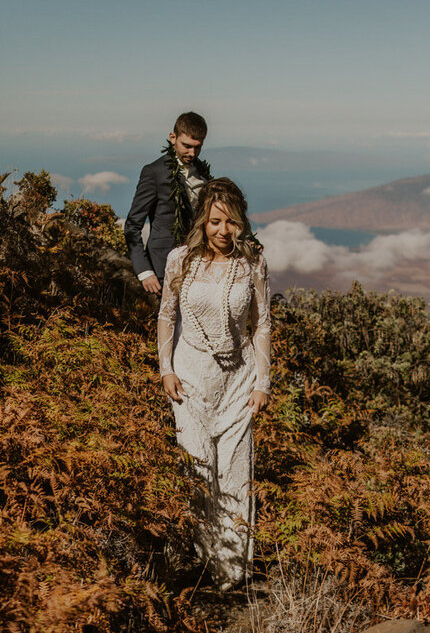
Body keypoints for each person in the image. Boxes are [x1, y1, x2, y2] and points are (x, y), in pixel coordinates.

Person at [157, 177, 270, 588]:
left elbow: (262, 324)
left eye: (232, 223)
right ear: (203, 221)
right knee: (200, 473)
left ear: (242, 223)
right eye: (215, 222)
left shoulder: (253, 262)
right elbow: (167, 315)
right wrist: (165, 369)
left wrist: (263, 382)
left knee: (237, 475)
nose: (224, 231)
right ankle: (205, 564)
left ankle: (232, 572)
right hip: (189, 381)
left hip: (239, 382)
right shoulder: (179, 260)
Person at [124, 112, 211, 296]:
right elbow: (132, 226)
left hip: (198, 265)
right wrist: (144, 271)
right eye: (186, 146)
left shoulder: (202, 172)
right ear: (173, 138)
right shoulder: (154, 172)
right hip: (161, 267)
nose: (192, 153)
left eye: (197, 147)